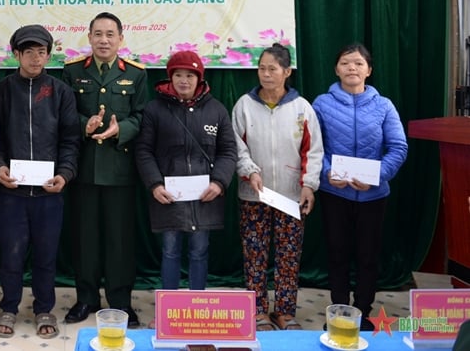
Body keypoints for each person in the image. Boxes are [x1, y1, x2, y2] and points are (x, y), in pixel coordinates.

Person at [0, 25, 80, 339]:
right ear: (16, 54)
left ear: (48, 54)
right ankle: (9, 307)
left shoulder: (60, 91)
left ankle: (45, 308)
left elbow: (70, 140)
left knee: (46, 254)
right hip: (12, 192)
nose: (35, 58)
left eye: (41, 51)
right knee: (12, 253)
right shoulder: (2, 90)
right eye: (28, 51)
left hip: (48, 193)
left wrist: (65, 174)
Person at [61, 11, 148, 328]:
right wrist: (87, 126)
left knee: (119, 240)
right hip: (83, 170)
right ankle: (86, 299)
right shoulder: (72, 72)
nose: (104, 40)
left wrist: (119, 129)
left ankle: (121, 302)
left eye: (110, 34)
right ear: (89, 37)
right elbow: (65, 115)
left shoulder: (136, 75)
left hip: (120, 171)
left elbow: (141, 118)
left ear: (121, 39)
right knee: (85, 238)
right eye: (98, 34)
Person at [312, 43, 408, 331]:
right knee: (337, 253)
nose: (351, 68)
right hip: (335, 194)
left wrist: (377, 175)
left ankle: (363, 311)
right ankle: (339, 312)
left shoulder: (384, 106)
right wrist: (328, 173)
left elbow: (398, 147)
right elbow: (314, 147)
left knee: (368, 255)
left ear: (369, 70)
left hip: (373, 196)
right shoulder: (321, 104)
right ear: (336, 69)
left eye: (358, 63)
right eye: (345, 63)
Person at [232, 43, 323, 331]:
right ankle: (257, 310)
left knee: (288, 255)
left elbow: (314, 151)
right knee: (255, 254)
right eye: (262, 68)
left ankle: (284, 311)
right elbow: (236, 146)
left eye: (273, 69)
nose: (266, 74)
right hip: (253, 194)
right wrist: (249, 172)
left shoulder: (302, 108)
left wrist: (309, 186)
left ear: (287, 72)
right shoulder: (244, 106)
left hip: (290, 197)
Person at [136, 51, 237, 298]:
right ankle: (168, 308)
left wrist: (220, 182)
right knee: (170, 250)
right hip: (168, 196)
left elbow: (228, 151)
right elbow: (143, 151)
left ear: (199, 78)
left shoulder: (217, 110)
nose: (184, 80)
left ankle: (196, 306)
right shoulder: (154, 110)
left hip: (204, 197)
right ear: (170, 78)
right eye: (178, 75)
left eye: (190, 75)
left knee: (200, 251)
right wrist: (155, 184)